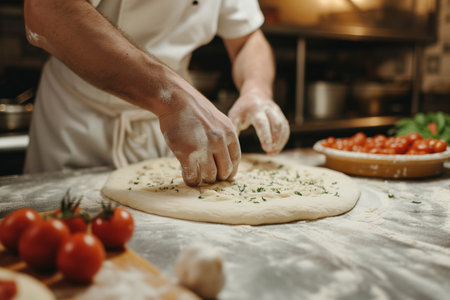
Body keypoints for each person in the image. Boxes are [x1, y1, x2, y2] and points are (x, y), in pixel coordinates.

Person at [23, 0, 290, 186]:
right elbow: (48, 10)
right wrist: (172, 95)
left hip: (170, 130)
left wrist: (257, 88)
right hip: (77, 125)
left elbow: (247, 39)